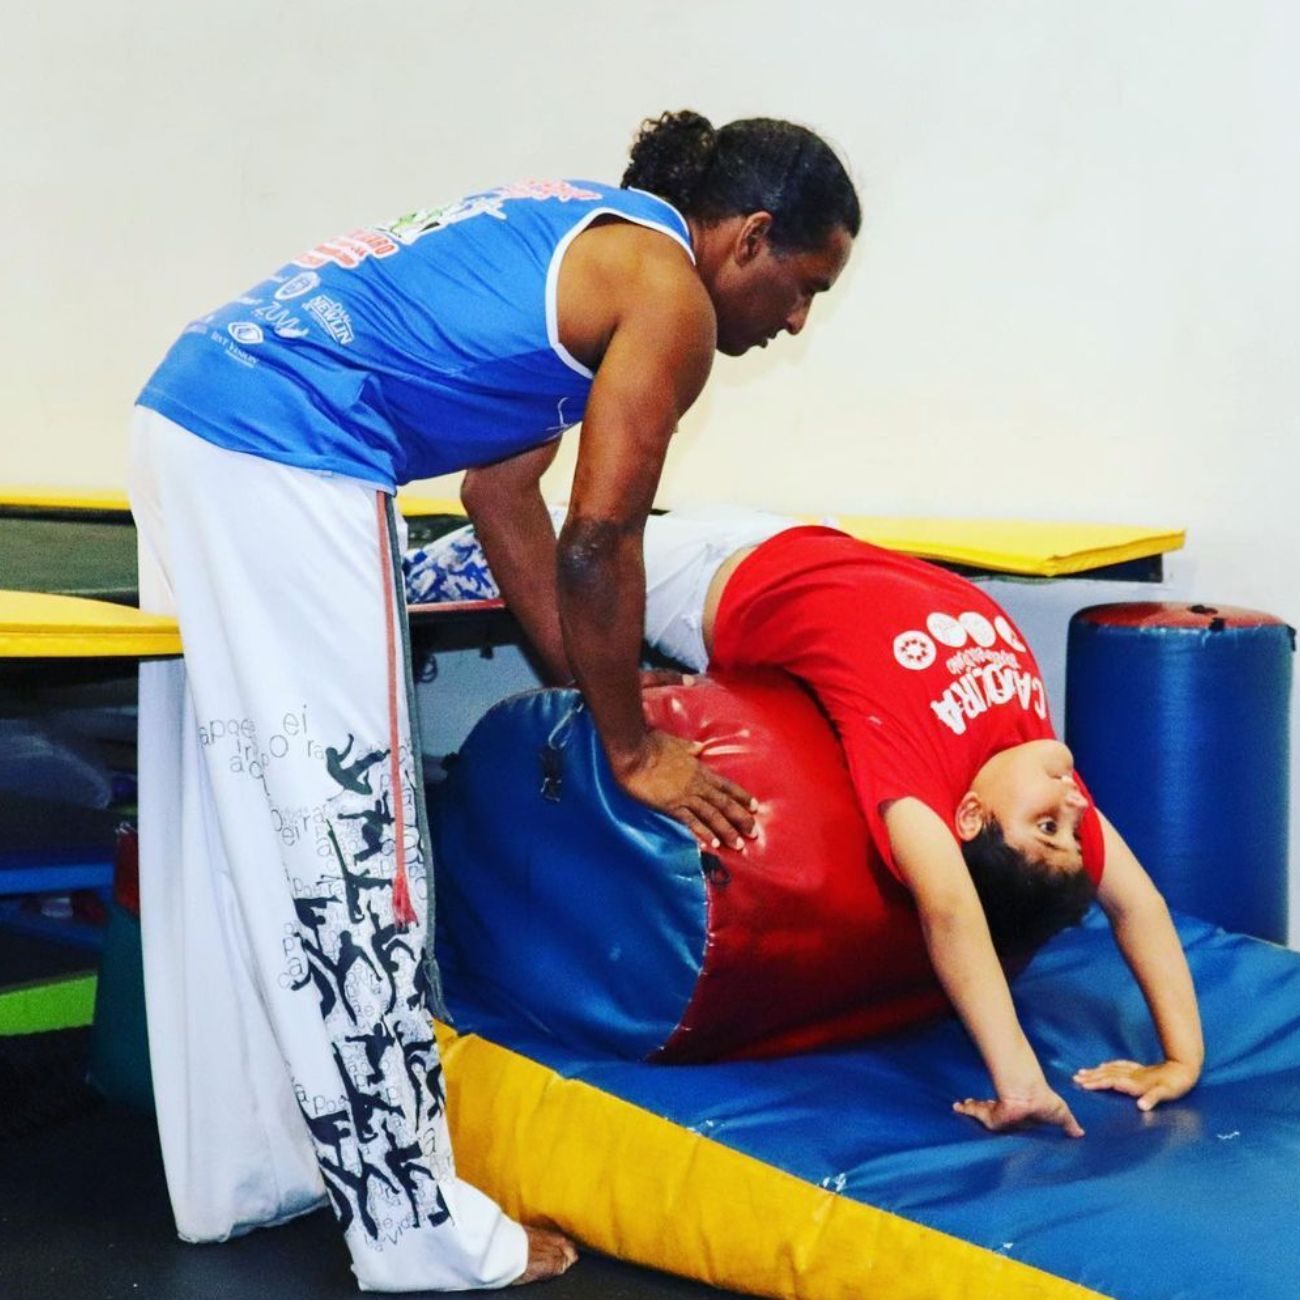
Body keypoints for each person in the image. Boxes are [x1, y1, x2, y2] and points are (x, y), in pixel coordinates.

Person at [128, 113, 859, 1290]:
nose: (795, 321)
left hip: (195, 414)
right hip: (286, 446)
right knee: (361, 848)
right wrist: (634, 749)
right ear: (752, 236)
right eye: (802, 284)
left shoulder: (589, 240)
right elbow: (598, 540)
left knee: (265, 825)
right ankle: (417, 1233)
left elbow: (501, 497)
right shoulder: (665, 296)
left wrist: (580, 691)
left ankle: (262, 1163)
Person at [406, 505, 1204, 1138]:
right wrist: (1181, 1058)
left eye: (1050, 827)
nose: (1072, 804)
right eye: (1070, 825)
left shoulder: (919, 782)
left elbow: (950, 909)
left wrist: (1021, 1085)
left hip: (712, 573)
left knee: (572, 548)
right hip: (800, 534)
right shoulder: (1038, 775)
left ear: (969, 818)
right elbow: (1138, 904)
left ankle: (454, 534)